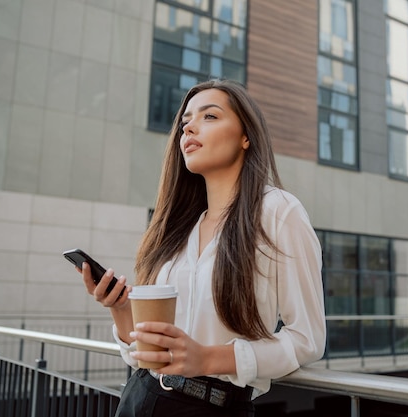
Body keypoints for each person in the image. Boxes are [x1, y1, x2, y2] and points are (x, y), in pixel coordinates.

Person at [79, 79, 326, 416]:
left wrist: (207, 358)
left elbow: (307, 339)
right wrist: (121, 309)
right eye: (185, 123)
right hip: (141, 396)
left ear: (246, 137)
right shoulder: (179, 227)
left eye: (209, 116)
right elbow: (147, 352)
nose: (190, 127)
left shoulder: (279, 212)